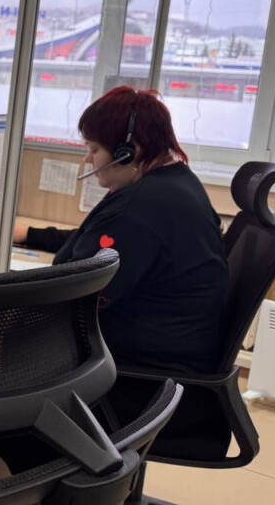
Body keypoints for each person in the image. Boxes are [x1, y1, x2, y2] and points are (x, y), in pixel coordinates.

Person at [14, 86, 228, 375]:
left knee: (8, 339)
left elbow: (73, 293)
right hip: (166, 351)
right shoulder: (173, 184)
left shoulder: (140, 207)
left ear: (128, 152)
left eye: (94, 149)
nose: (87, 159)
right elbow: (98, 241)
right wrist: (31, 235)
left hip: (139, 370)